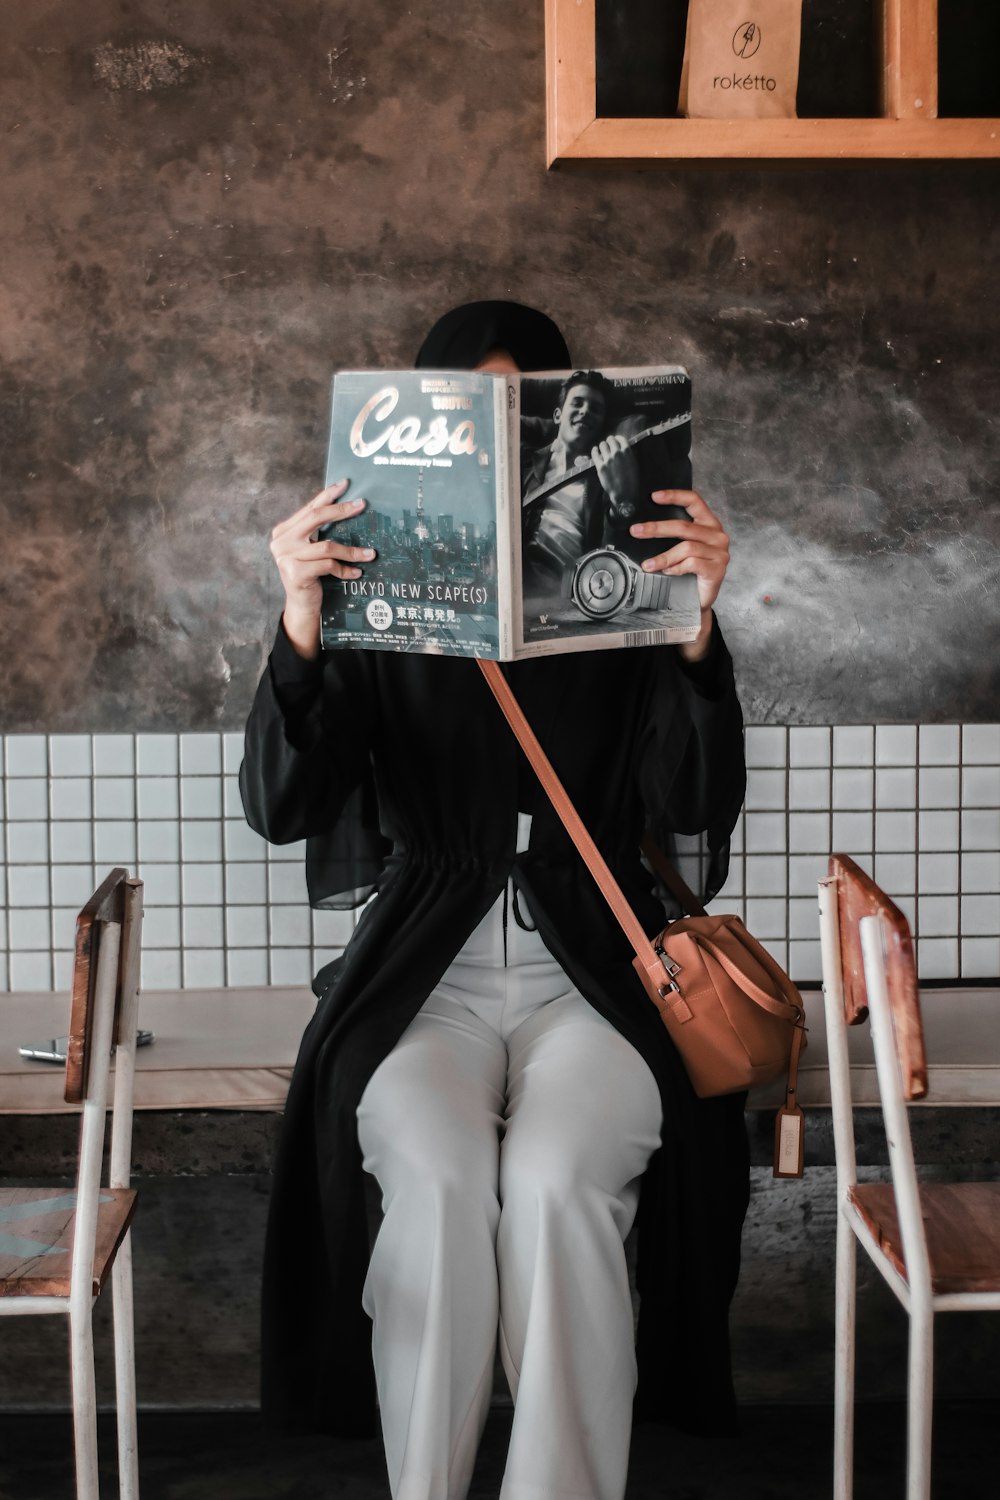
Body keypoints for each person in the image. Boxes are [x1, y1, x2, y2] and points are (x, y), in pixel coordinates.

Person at [240, 300, 749, 1500]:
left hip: (596, 963)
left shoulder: (626, 572)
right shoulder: (370, 582)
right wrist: (301, 627)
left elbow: (696, 796)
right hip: (427, 967)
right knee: (438, 1178)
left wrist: (692, 627)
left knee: (563, 1184)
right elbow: (281, 807)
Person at [521, 370, 643, 589]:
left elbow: (615, 550)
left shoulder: (605, 474)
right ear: (558, 415)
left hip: (571, 591)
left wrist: (622, 502)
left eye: (596, 410)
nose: (585, 411)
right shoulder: (525, 460)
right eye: (577, 403)